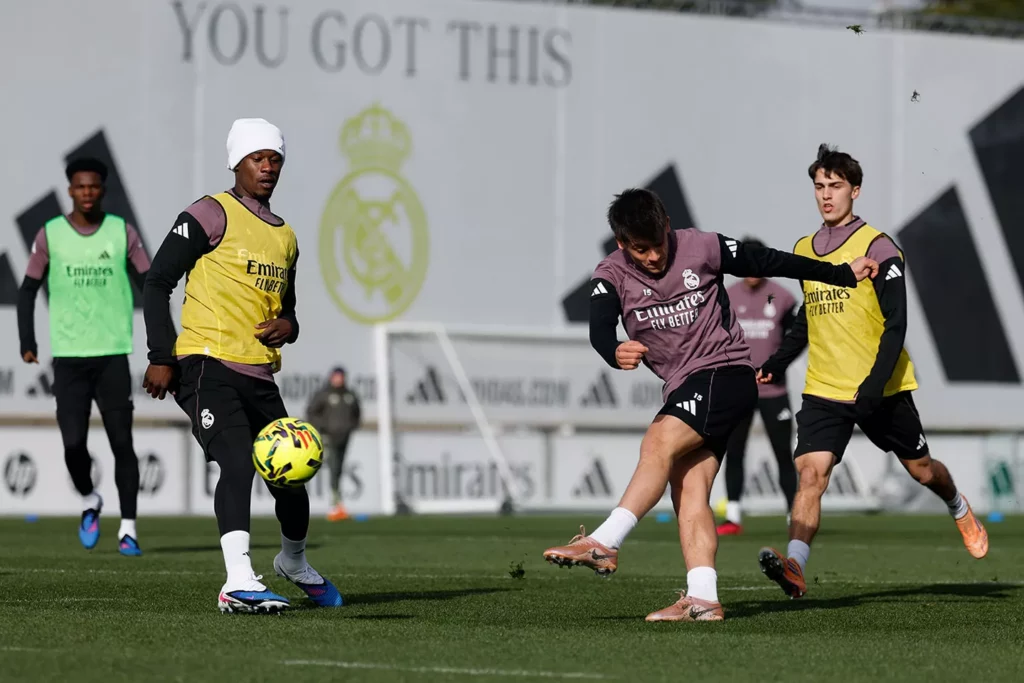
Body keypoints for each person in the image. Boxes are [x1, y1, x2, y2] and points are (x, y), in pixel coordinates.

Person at [542, 188, 878, 622]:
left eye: (658, 244)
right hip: (686, 386)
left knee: (658, 442)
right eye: (640, 250)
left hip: (727, 373)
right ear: (622, 244)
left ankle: (605, 541)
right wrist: (613, 350)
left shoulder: (701, 246)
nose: (652, 257)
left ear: (667, 227)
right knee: (688, 490)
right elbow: (600, 328)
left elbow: (771, 261)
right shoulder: (610, 275)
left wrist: (840, 273)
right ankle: (703, 597)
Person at [755, 144, 988, 600]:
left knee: (922, 471)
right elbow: (808, 317)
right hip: (823, 389)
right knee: (810, 475)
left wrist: (873, 387)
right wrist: (777, 362)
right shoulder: (805, 249)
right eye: (819, 186)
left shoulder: (879, 247)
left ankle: (958, 506)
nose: (826, 195)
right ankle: (796, 566)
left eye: (835, 186)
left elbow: (897, 325)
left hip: (881, 387)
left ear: (855, 191)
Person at [142, 118, 342, 614]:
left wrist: (289, 327)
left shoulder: (286, 237)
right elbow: (156, 282)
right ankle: (237, 580)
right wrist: (161, 356)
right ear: (236, 162)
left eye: (275, 159)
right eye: (258, 158)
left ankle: (293, 561)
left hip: (259, 373)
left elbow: (289, 310)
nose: (268, 167)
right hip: (206, 364)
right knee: (235, 462)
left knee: (289, 476)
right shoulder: (210, 212)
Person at [17, 157, 149, 556]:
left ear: (103, 190)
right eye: (80, 186)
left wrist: (167, 344)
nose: (87, 192)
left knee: (122, 443)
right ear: (70, 190)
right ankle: (91, 499)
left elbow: (151, 284)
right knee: (73, 444)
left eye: (94, 186)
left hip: (111, 355)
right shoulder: (51, 234)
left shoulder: (121, 233)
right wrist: (29, 341)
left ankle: (128, 528)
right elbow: (26, 291)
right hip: (70, 358)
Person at [717, 243, 801, 535]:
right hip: (738, 391)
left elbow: (797, 339)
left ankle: (795, 516)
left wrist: (777, 366)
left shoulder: (784, 297)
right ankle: (733, 518)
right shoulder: (727, 295)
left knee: (783, 454)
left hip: (773, 390)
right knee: (734, 451)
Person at [306, 366, 362, 521]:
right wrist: (322, 429)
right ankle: (334, 505)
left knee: (339, 468)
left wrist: (352, 426)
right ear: (331, 377)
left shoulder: (350, 395)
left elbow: (357, 412)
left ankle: (337, 504)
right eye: (336, 376)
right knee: (334, 467)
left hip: (345, 437)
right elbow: (311, 412)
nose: (339, 379)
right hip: (328, 438)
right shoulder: (324, 394)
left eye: (341, 376)